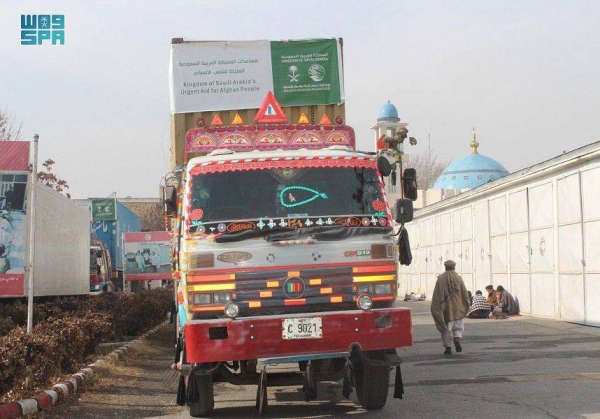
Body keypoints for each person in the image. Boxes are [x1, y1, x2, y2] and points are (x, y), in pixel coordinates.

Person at [431, 260, 471, 355]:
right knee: (458, 325)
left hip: (446, 308)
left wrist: (436, 307)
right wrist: (466, 304)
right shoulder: (458, 278)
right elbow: (464, 293)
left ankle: (448, 348)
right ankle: (457, 337)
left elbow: (436, 295)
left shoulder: (440, 279)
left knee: (445, 329)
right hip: (457, 307)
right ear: (454, 267)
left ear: (445, 267)